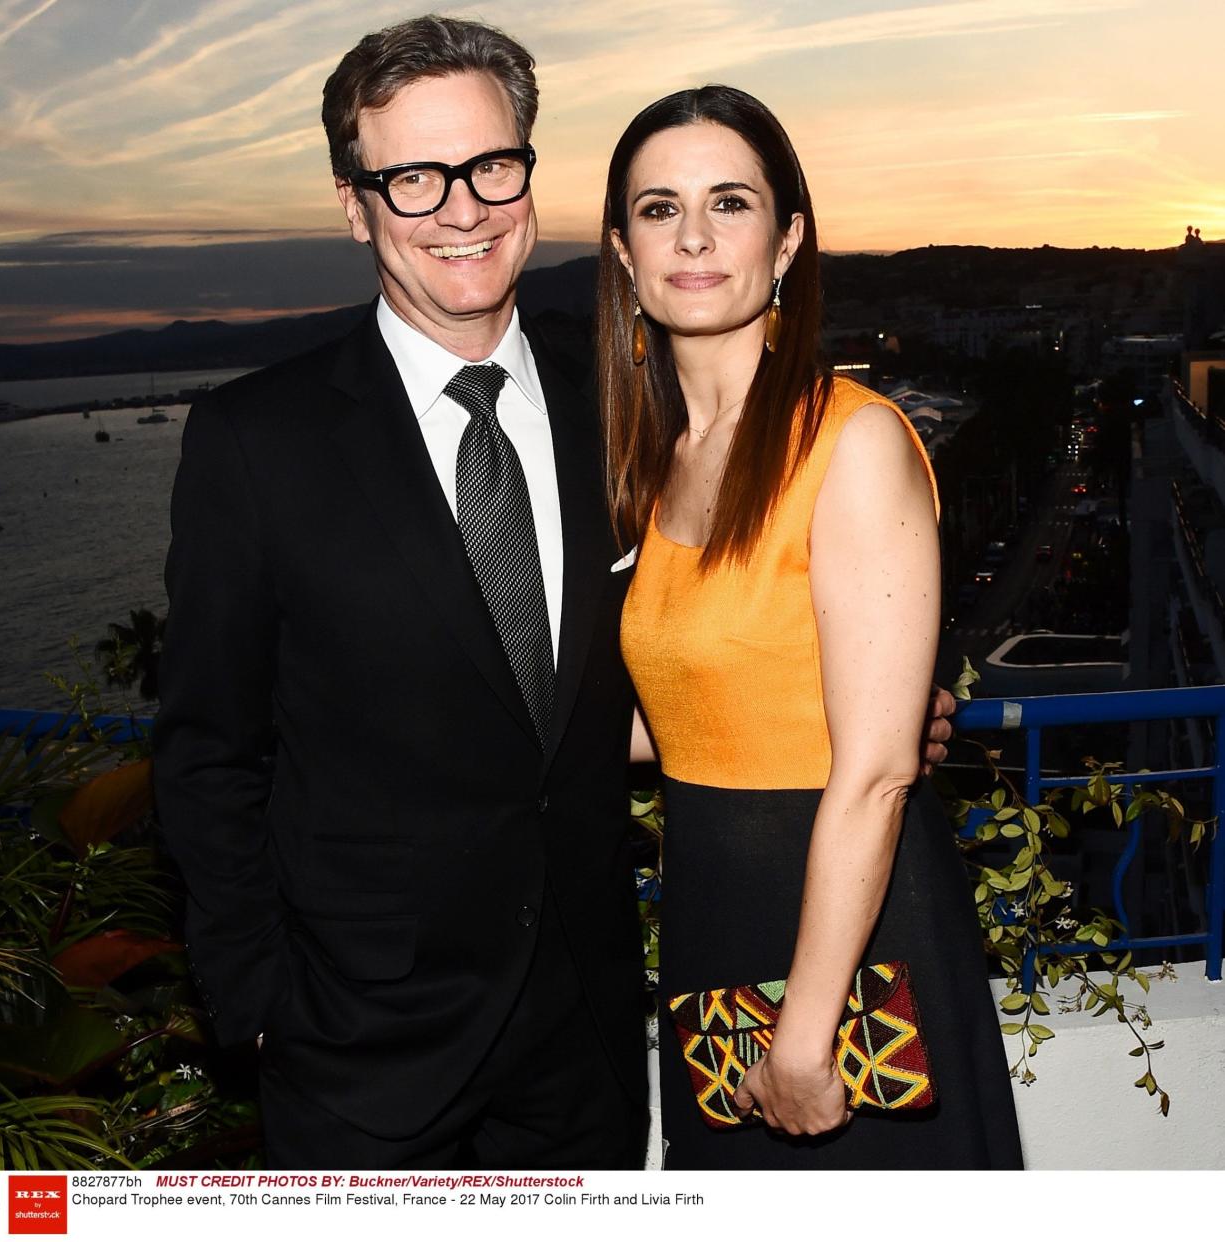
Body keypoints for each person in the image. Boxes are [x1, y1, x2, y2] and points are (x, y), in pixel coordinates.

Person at [154, 16, 955, 1171]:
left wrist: (870, 717)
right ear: (354, 201)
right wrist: (261, 1003)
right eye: (414, 178)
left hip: (588, 1028)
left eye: (490, 166)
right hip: (360, 1051)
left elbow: (721, 624)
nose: (461, 208)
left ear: (529, 176)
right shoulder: (254, 439)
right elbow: (207, 754)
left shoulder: (627, 403)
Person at [600, 86, 1022, 1170]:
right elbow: (684, 722)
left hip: (849, 939)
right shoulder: (657, 465)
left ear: (785, 240)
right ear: (621, 250)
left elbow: (878, 770)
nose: (693, 236)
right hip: (713, 919)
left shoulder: (853, 444)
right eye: (658, 208)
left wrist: (804, 1034)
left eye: (729, 202)